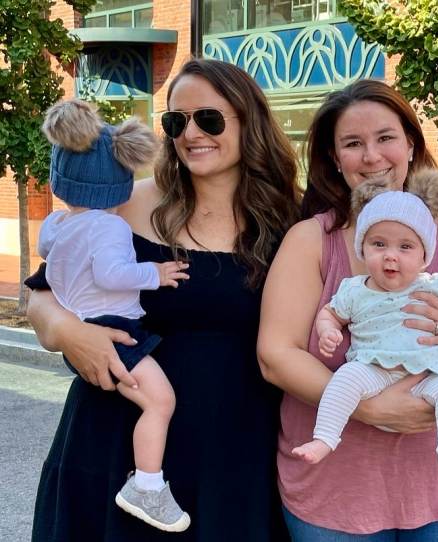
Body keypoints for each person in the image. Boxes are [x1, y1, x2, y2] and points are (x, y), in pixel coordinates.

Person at [26, 58, 300, 541]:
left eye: (209, 119)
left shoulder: (291, 217)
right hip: (116, 446)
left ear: (249, 120)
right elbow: (42, 297)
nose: (191, 134)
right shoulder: (122, 204)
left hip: (236, 454)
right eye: (176, 122)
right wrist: (71, 334)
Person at [258, 79, 438, 539]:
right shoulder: (311, 241)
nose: (372, 156)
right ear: (335, 158)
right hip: (335, 494)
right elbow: (275, 355)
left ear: (411, 144)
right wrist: (369, 407)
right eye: (353, 143)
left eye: (385, 138)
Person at [293, 171, 438, 471]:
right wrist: (327, 330)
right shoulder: (355, 290)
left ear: (423, 257)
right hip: (374, 370)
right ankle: (325, 438)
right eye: (379, 244)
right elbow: (330, 313)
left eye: (405, 247)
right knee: (344, 379)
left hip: (428, 373)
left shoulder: (432, 285)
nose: (391, 256)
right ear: (362, 248)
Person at [38, 99, 191, 532]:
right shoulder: (111, 227)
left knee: (150, 400)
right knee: (160, 401)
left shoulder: (56, 225)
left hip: (85, 327)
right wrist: (155, 273)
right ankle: (147, 485)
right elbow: (111, 273)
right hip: (116, 331)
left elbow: (49, 260)